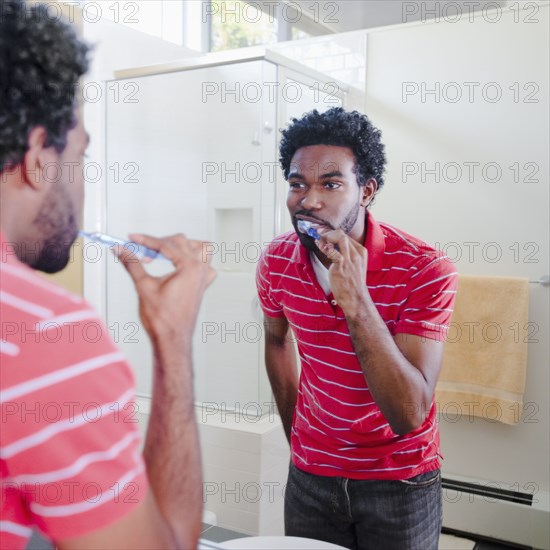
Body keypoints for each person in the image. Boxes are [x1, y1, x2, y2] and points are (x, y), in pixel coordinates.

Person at [0, 2, 215, 548]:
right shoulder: (46, 336)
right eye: (81, 156)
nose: (81, 186)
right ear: (41, 157)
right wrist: (173, 339)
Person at [256, 107, 458, 550]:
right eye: (297, 184)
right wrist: (299, 438)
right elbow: (275, 340)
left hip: (399, 480)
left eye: (331, 183)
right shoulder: (275, 261)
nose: (309, 200)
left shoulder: (425, 270)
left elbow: (408, 413)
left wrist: (357, 301)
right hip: (311, 475)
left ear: (366, 190)